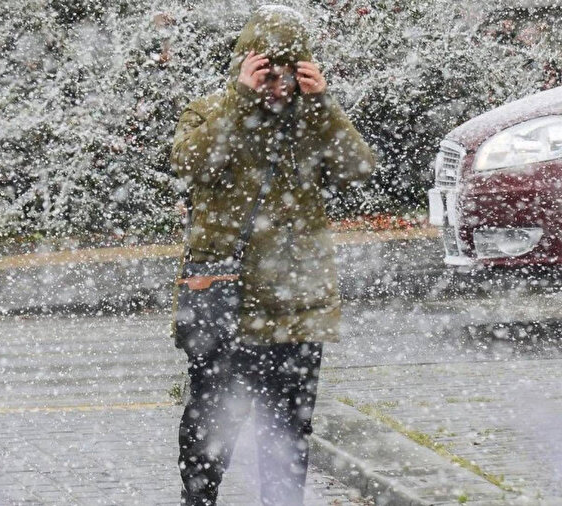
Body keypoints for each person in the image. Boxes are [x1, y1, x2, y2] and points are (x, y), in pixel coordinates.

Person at [169, 6, 375, 506]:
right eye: (268, 73)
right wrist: (241, 101)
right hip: (226, 296)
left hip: (297, 304)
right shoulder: (211, 112)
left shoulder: (311, 122)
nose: (278, 86)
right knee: (211, 419)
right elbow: (193, 164)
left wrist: (323, 104)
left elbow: (358, 169)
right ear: (247, 65)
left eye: (288, 74)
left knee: (288, 427)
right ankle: (198, 501)